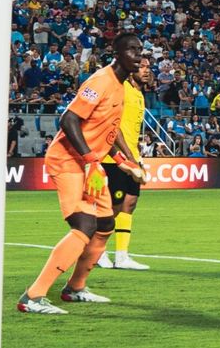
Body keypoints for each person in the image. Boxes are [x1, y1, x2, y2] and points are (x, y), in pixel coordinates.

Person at [18, 32, 146, 314]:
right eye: (132, 50)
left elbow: (107, 133)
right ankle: (33, 296)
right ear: (118, 53)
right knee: (84, 225)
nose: (139, 55)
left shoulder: (123, 88)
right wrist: (90, 159)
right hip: (68, 160)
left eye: (141, 50)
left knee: (104, 225)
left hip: (91, 164)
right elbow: (69, 119)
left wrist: (124, 162)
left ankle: (75, 288)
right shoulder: (101, 81)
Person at [95, 53, 153, 271]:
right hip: (114, 158)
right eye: (142, 67)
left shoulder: (139, 94)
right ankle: (98, 252)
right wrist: (128, 156)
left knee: (130, 203)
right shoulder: (123, 90)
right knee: (114, 206)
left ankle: (121, 256)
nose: (146, 70)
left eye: (148, 67)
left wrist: (137, 157)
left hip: (132, 156)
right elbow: (114, 126)